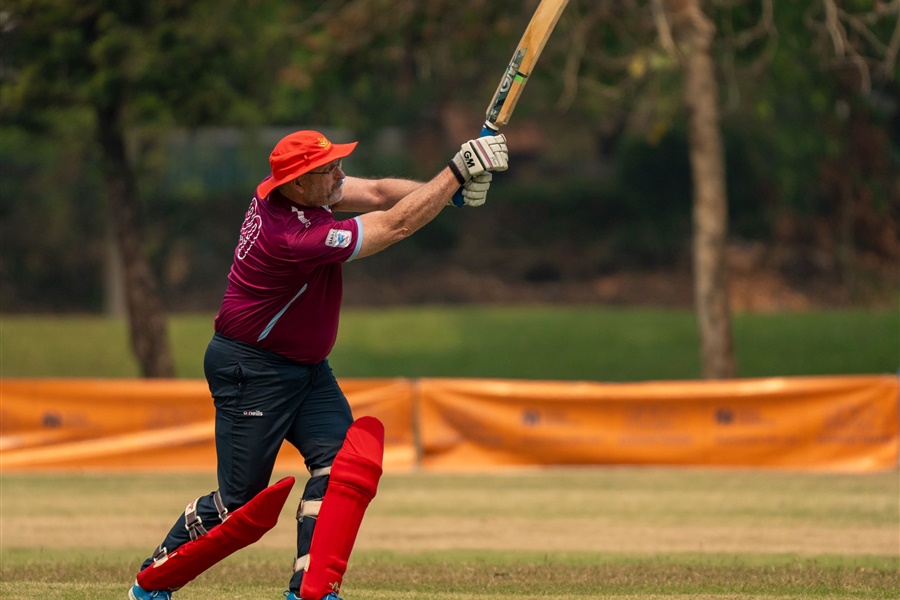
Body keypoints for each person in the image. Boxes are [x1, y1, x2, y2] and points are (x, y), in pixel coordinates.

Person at [128, 129, 510, 600]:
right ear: (298, 184)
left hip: (306, 369)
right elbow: (394, 226)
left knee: (341, 467)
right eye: (328, 169)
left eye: (335, 164)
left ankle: (310, 591)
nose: (340, 175)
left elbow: (375, 193)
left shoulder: (297, 193)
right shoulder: (296, 236)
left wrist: (451, 194)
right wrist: (455, 172)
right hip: (252, 371)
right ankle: (151, 582)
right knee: (239, 506)